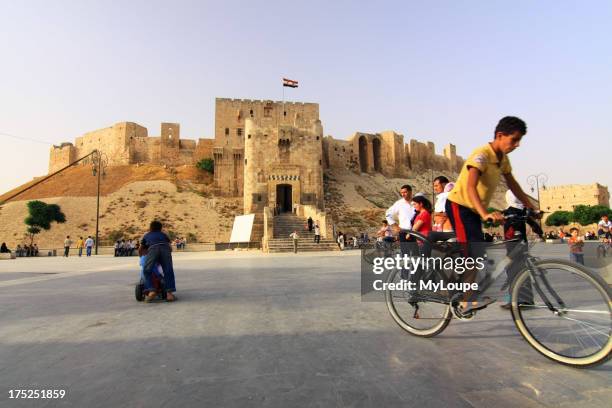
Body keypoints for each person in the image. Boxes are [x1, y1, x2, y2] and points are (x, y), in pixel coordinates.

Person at [445, 116, 535, 313]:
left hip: (473, 210)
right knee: (473, 253)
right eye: (514, 139)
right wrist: (485, 213)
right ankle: (465, 300)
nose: (517, 145)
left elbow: (512, 184)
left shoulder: (502, 159)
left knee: (479, 253)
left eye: (520, 140)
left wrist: (530, 206)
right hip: (459, 205)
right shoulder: (481, 154)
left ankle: (465, 290)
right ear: (500, 135)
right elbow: (470, 187)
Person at [499, 190, 543, 309]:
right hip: (522, 244)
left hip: (512, 245)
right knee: (523, 270)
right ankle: (526, 299)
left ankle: (516, 300)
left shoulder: (509, 211)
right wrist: (540, 232)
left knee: (513, 271)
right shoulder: (522, 210)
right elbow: (535, 225)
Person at [385, 185, 416, 279]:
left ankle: (416, 276)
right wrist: (395, 226)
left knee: (416, 255)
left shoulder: (416, 202)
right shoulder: (399, 204)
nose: (403, 194)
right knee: (405, 254)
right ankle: (405, 276)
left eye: (405, 192)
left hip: (416, 232)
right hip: (404, 231)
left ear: (410, 192)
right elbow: (388, 214)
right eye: (401, 192)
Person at [141, 220, 177, 302]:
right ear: (161, 228)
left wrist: (142, 256)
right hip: (165, 249)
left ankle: (151, 290)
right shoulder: (164, 235)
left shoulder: (147, 235)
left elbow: (141, 248)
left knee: (147, 270)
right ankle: (169, 295)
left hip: (153, 249)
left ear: (150, 228)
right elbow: (170, 247)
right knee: (168, 271)